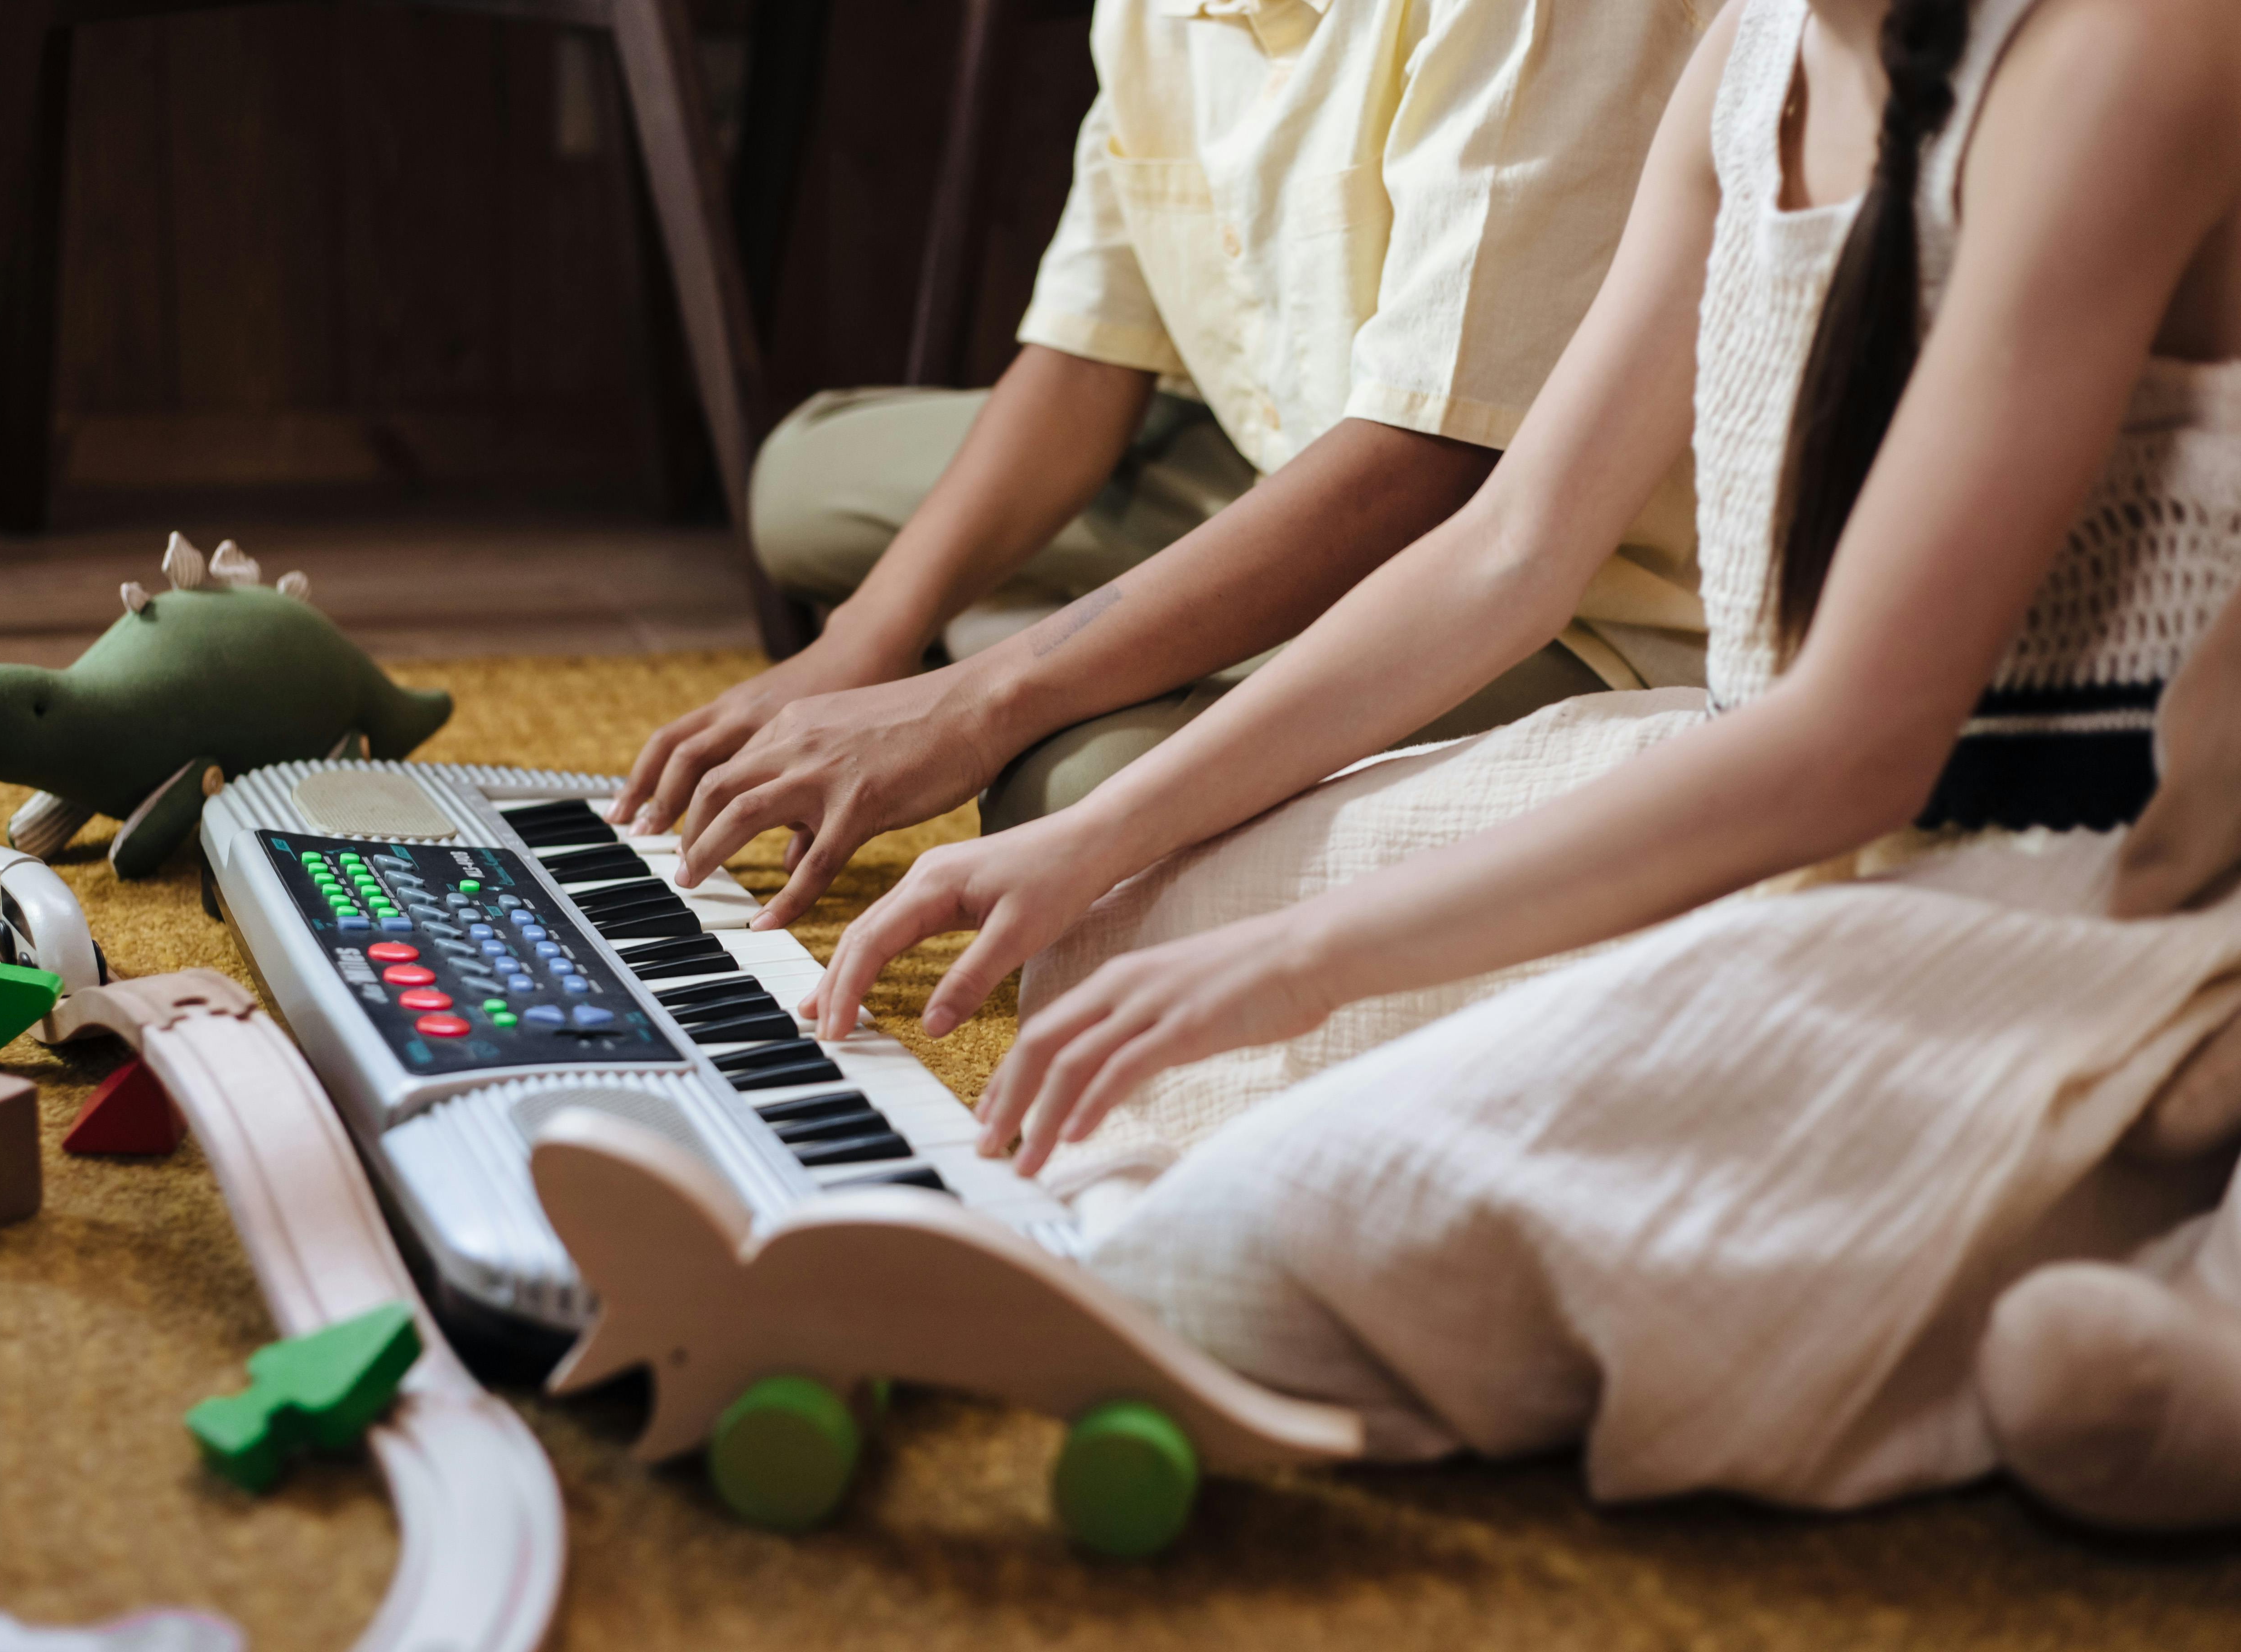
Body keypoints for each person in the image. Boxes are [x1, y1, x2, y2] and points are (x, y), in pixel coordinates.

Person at [800, 0, 2241, 1525]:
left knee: (1239, 1243)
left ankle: (2165, 1263)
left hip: (2053, 885)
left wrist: (1312, 959)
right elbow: (1506, 550)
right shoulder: (1748, 54)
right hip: (1761, 794)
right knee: (1116, 929)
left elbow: (1856, 749)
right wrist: (1089, 843)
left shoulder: (2131, 44)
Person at [611, 0, 1722, 928]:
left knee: (1072, 787)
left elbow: (1435, 468)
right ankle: (1214, 592)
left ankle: (1190, 625)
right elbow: (1090, 350)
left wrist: (976, 700)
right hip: (1293, 452)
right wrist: (862, 645)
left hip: (1578, 571)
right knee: (805, 479)